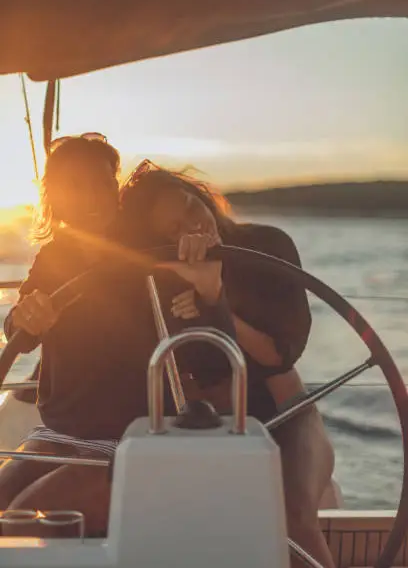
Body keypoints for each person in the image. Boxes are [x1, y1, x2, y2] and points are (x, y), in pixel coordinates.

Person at [0, 138, 235, 537]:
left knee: (16, 525)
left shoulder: (156, 254)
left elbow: (212, 362)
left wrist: (208, 285)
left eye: (100, 181)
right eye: (74, 184)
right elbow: (18, 330)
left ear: (114, 186)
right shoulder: (53, 259)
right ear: (54, 197)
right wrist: (24, 318)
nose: (90, 194)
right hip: (59, 433)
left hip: (136, 439)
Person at [119, 160, 335, 568]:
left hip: (288, 413)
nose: (193, 226)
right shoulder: (158, 280)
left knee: (292, 518)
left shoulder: (270, 245)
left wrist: (214, 294)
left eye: (189, 205)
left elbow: (277, 356)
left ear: (199, 193)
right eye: (172, 229)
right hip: (208, 424)